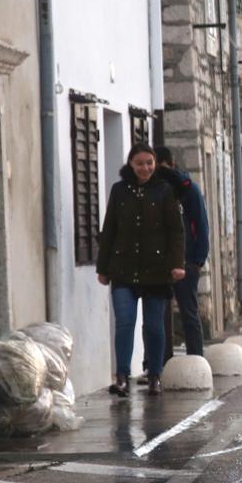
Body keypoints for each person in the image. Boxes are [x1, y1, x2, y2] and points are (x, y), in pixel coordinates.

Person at [96, 143, 186, 396]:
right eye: (139, 163)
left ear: (155, 163)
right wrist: (103, 268)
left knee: (154, 326)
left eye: (149, 163)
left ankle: (155, 374)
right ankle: (122, 376)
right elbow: (109, 229)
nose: (145, 168)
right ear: (131, 164)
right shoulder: (119, 190)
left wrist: (177, 264)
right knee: (125, 322)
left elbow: (176, 231)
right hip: (123, 269)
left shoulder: (164, 190)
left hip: (156, 270)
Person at [155, 146, 210, 366]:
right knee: (156, 314)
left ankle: (196, 362)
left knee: (189, 312)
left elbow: (201, 224)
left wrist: (197, 260)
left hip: (186, 260)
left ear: (170, 165)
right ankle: (157, 364)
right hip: (159, 261)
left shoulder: (188, 189)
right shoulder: (152, 189)